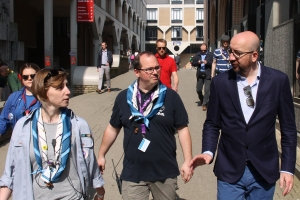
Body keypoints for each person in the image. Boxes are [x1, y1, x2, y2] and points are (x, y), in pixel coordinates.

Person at [190, 31, 297, 199]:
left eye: (237, 53)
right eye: (230, 52)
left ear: (254, 56)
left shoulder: (278, 81)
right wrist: (208, 152)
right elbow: (212, 123)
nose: (230, 58)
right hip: (229, 169)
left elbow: (289, 129)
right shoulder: (220, 83)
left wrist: (288, 167)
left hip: (263, 171)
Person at [97, 51, 192, 200]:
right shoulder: (123, 98)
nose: (155, 72)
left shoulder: (171, 97)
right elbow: (112, 128)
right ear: (136, 72)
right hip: (133, 172)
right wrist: (101, 154)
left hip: (164, 172)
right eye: (149, 69)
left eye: (157, 68)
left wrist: (188, 160)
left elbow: (182, 129)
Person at [0, 68, 105, 200]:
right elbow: (10, 172)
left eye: (66, 85)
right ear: (44, 91)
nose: (68, 91)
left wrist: (100, 193)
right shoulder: (23, 126)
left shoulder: (79, 125)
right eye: (60, 87)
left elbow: (91, 165)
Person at [0, 63, 41, 137]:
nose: (29, 78)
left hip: (39, 143)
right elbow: (3, 120)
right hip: (18, 143)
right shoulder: (14, 97)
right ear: (21, 78)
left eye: (33, 76)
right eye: (25, 77)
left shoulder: (46, 96)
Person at [192, 43, 213, 111]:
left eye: (204, 50)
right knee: (198, 90)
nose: (203, 51)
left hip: (207, 74)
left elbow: (213, 63)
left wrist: (207, 62)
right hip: (200, 74)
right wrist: (197, 62)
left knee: (207, 90)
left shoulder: (210, 54)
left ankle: (204, 104)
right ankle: (202, 99)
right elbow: (193, 63)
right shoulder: (198, 54)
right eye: (202, 50)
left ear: (207, 49)